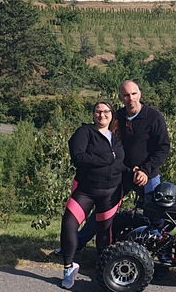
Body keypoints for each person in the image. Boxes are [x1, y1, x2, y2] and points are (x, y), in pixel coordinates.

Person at [69, 80, 171, 253]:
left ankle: (162, 256)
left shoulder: (154, 117)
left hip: (148, 175)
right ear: (120, 98)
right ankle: (75, 245)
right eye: (126, 95)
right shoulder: (117, 118)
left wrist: (145, 170)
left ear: (139, 94)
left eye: (133, 94)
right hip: (121, 174)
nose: (130, 98)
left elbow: (163, 148)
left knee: (156, 216)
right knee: (103, 211)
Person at [60, 100, 125, 289]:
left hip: (111, 193)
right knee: (69, 224)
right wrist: (106, 158)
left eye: (106, 111)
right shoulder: (85, 132)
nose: (102, 115)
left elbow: (121, 165)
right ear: (93, 114)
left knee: (104, 234)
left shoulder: (117, 140)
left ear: (111, 115)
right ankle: (68, 269)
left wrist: (136, 171)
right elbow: (78, 157)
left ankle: (104, 272)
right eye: (98, 111)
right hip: (85, 191)